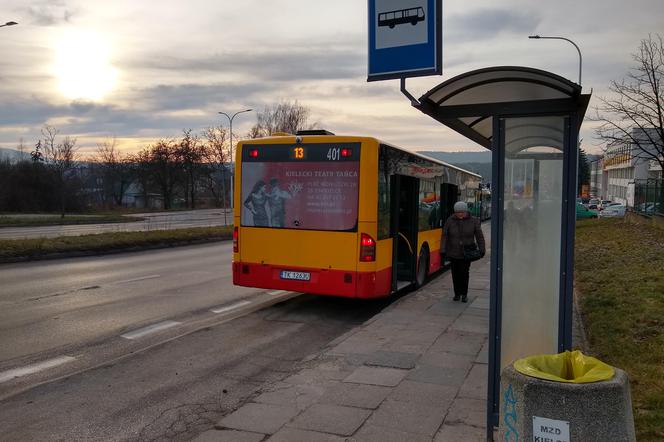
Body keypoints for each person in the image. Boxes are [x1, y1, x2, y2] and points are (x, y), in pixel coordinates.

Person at [441, 201, 486, 302]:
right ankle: (457, 293)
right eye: (458, 212)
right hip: (453, 252)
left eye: (462, 212)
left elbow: (479, 236)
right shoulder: (450, 220)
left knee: (464, 273)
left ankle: (464, 294)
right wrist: (443, 250)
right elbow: (445, 235)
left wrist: (482, 249)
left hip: (467, 253)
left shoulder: (473, 220)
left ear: (466, 211)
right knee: (455, 274)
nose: (460, 214)